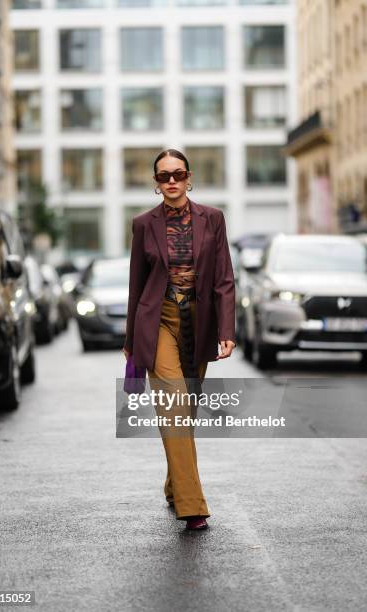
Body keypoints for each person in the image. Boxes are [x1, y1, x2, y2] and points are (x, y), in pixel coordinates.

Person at [123, 149, 236, 531]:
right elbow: (136, 284)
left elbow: (224, 278)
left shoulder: (213, 219)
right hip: (158, 321)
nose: (171, 181)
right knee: (173, 404)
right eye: (163, 176)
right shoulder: (143, 225)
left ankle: (174, 484)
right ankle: (192, 505)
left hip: (199, 322)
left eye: (178, 174)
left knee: (184, 410)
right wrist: (130, 340)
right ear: (156, 184)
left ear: (189, 178)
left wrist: (227, 331)